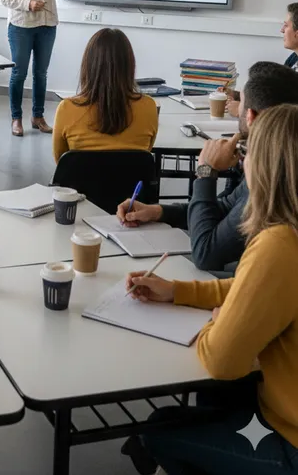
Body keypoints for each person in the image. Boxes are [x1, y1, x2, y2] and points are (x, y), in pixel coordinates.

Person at [126, 103, 298, 475]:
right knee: (189, 413)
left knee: (157, 431)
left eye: (246, 153)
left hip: (289, 441)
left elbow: (222, 361)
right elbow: (253, 288)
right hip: (280, 412)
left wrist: (217, 324)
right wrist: (178, 291)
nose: (242, 163)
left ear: (265, 165)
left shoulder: (279, 245)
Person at [117, 61, 298, 273]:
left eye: (241, 102)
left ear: (251, 117)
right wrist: (158, 212)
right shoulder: (282, 161)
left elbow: (205, 254)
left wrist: (206, 172)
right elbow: (223, 210)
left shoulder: (273, 177)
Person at [0, 0, 105, 137]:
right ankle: (16, 118)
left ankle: (38, 117)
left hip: (47, 26)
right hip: (21, 27)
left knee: (41, 73)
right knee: (19, 74)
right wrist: (27, 4)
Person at [52, 29, 158, 163]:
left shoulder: (66, 109)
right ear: (129, 65)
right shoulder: (148, 106)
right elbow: (146, 152)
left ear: (88, 65)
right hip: (129, 184)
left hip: (79, 184)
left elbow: (60, 161)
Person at [224, 2, 298, 117]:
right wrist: (238, 95)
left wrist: (241, 111)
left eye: (286, 25)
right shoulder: (293, 58)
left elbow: (285, 114)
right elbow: (277, 97)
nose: (282, 30)